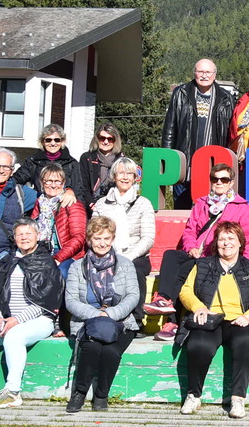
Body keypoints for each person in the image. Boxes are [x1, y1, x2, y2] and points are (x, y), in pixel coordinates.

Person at [148, 163, 249, 341]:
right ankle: (164, 299)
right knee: (171, 255)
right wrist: (191, 247)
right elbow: (190, 231)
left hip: (218, 257)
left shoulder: (242, 208)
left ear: (231, 183)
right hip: (197, 253)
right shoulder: (201, 204)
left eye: (224, 179)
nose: (219, 183)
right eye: (215, 179)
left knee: (185, 272)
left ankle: (173, 322)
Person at [176, 221, 249, 419]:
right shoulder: (202, 265)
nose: (226, 243)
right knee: (199, 345)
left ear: (240, 242)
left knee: (246, 342)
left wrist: (248, 316)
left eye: (231, 238)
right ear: (215, 242)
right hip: (210, 318)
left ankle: (238, 398)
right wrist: (198, 307)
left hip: (240, 320)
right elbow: (186, 291)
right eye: (222, 239)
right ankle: (193, 395)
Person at [0, 219, 64, 409]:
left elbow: (46, 301)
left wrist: (18, 320)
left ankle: (13, 392)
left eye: (28, 233)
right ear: (14, 238)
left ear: (37, 236)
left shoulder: (46, 263)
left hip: (38, 319)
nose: (24, 237)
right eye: (20, 234)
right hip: (4, 318)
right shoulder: (6, 261)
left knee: (14, 337)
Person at [63, 216, 142, 413]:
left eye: (107, 238)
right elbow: (71, 300)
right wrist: (95, 315)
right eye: (97, 238)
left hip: (121, 321)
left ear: (113, 239)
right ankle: (79, 393)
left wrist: (110, 314)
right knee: (91, 347)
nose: (102, 243)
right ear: (89, 239)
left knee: (110, 351)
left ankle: (101, 395)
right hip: (86, 320)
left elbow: (133, 296)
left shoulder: (125, 264)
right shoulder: (76, 267)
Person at [162, 58, 237, 209]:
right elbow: (170, 128)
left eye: (208, 72)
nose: (204, 75)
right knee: (181, 207)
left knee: (211, 208)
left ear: (215, 75)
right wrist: (167, 158)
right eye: (200, 71)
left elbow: (230, 132)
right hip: (185, 162)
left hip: (213, 164)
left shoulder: (226, 98)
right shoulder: (181, 93)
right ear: (194, 73)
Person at [91, 156, 156, 315]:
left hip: (136, 255)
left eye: (129, 173)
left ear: (135, 177)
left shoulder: (143, 203)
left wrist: (128, 257)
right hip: (106, 252)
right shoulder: (101, 204)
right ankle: (98, 314)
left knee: (134, 270)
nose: (125, 177)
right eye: (121, 173)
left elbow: (148, 238)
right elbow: (93, 233)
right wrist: (108, 253)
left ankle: (137, 318)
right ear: (114, 176)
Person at [30, 162, 86, 282]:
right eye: (48, 181)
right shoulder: (39, 202)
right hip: (43, 249)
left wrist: (58, 258)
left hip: (67, 252)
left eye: (57, 181)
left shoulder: (72, 203)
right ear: (42, 183)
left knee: (60, 272)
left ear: (63, 183)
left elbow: (79, 237)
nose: (53, 185)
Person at [13, 124, 88, 206]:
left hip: (64, 207)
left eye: (57, 140)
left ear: (62, 141)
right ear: (43, 142)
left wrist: (72, 194)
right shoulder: (33, 161)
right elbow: (16, 180)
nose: (53, 143)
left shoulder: (71, 163)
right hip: (40, 206)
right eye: (48, 140)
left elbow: (79, 190)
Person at [79, 123, 122, 211]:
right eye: (102, 138)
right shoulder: (87, 158)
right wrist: (91, 203)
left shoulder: (121, 160)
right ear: (97, 139)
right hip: (91, 206)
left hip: (115, 207)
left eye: (110, 139)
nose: (106, 142)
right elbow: (83, 184)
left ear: (115, 140)